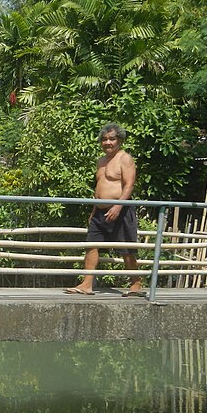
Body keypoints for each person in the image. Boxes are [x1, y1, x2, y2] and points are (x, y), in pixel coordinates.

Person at [65, 123, 144, 296]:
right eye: (104, 139)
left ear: (119, 140)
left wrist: (118, 206)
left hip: (121, 209)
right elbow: (99, 187)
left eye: (111, 139)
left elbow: (129, 185)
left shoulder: (125, 159)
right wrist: (94, 210)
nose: (107, 143)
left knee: (126, 249)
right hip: (99, 212)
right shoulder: (100, 161)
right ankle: (87, 283)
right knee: (91, 245)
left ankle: (136, 283)